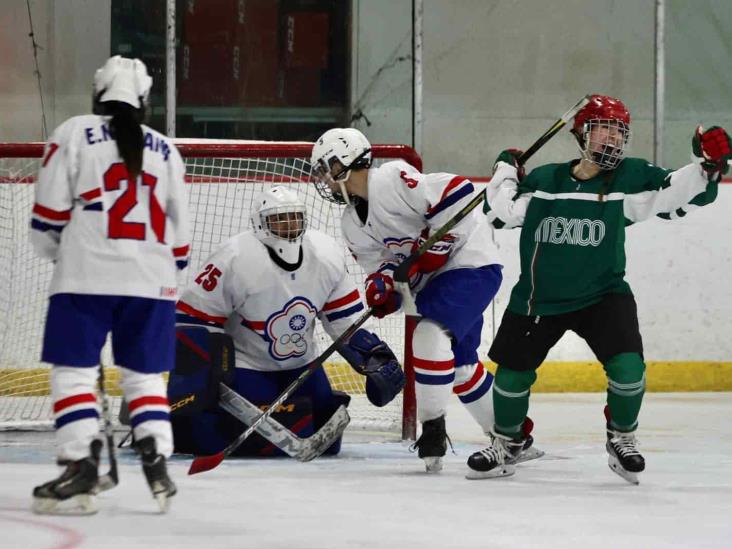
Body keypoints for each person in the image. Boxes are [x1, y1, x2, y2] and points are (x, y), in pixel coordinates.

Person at [468, 94, 731, 483]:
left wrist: (705, 165)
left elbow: (679, 192)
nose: (611, 139)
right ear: (581, 134)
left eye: (619, 132)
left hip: (603, 294)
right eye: (602, 129)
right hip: (539, 297)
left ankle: (621, 437)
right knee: (510, 377)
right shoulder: (545, 181)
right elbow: (499, 213)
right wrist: (506, 169)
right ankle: (509, 444)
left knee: (629, 371)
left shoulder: (629, 177)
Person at [310, 128, 540, 473]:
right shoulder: (350, 223)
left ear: (341, 165)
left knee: (428, 335)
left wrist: (435, 246)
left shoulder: (391, 178)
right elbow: (384, 264)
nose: (323, 181)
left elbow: (459, 192)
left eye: (325, 170)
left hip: (470, 263)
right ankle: (513, 435)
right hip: (436, 283)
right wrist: (382, 286)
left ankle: (432, 429)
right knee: (459, 366)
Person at [30, 56, 190, 514]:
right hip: (153, 278)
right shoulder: (166, 148)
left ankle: (80, 465)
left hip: (86, 274)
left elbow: (49, 217)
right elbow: (181, 240)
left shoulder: (73, 132)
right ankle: (157, 458)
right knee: (143, 376)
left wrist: (62, 253)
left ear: (99, 94)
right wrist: (159, 269)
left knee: (74, 371)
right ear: (144, 99)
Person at [170, 185, 405, 458]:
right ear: (260, 223)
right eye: (279, 218)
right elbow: (192, 316)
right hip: (247, 366)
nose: (288, 224)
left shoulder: (325, 253)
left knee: (329, 444)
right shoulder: (235, 257)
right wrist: (210, 376)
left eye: (294, 217)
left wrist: (372, 354)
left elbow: (344, 318)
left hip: (301, 366)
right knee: (234, 439)